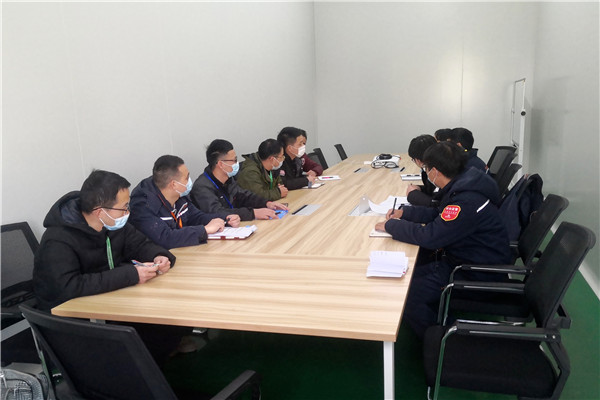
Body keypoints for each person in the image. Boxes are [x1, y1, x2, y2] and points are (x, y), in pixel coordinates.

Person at [33, 170, 185, 364]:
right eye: (124, 208)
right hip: (71, 322)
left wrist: (159, 256)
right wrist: (131, 274)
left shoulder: (112, 224)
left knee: (168, 323)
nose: (128, 213)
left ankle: (152, 367)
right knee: (147, 338)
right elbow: (69, 287)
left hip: (108, 303)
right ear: (100, 211)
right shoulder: (58, 240)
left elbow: (140, 244)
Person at [374, 142, 511, 339]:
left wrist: (391, 226)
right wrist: (405, 213)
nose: (426, 173)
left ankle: (446, 341)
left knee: (406, 295)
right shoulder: (464, 185)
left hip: (474, 274)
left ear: (435, 171)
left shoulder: (466, 202)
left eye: (426, 168)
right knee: (405, 277)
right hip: (464, 260)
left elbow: (430, 237)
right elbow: (439, 214)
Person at [129, 155, 240, 250]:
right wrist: (204, 230)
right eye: (187, 178)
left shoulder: (179, 195)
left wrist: (225, 218)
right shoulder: (143, 205)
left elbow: (196, 217)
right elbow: (165, 238)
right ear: (174, 184)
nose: (189, 181)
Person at [191, 139, 289, 220]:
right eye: (233, 160)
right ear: (221, 164)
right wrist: (253, 213)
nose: (237, 163)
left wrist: (266, 203)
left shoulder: (228, 179)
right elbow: (217, 212)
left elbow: (244, 196)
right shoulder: (202, 187)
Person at [406, 134, 438, 207]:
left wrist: (413, 195)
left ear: (418, 160)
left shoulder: (437, 173)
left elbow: (438, 205)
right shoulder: (441, 165)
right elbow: (433, 190)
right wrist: (420, 188)